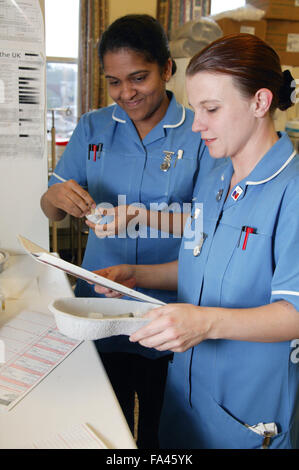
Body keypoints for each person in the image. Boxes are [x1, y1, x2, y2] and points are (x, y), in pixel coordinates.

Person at [93, 34, 299, 449]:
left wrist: (206, 322)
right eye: (196, 107)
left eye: (211, 109)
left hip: (243, 413)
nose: (197, 123)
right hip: (186, 396)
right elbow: (202, 265)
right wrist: (137, 274)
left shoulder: (290, 191)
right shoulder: (217, 177)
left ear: (260, 103)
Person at [40, 14, 216, 448]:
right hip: (99, 305)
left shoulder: (199, 133)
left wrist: (141, 214)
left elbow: (211, 223)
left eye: (139, 78)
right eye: (114, 82)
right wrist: (57, 200)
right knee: (104, 424)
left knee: (162, 430)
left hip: (169, 309)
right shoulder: (93, 127)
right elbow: (50, 208)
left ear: (167, 69)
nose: (126, 93)